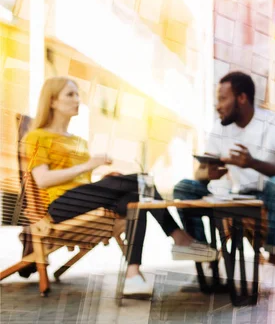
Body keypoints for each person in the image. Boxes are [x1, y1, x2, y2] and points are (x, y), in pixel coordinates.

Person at [22, 77, 218, 298]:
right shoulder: (37, 136)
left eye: (78, 94)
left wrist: (107, 182)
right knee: (143, 180)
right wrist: (89, 165)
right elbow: (43, 180)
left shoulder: (78, 141)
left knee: (137, 200)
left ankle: (133, 276)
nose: (77, 99)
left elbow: (81, 182)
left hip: (83, 200)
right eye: (70, 94)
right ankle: (179, 237)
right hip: (60, 207)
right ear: (52, 101)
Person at [173, 71, 275, 292]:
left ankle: (271, 266)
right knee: (183, 187)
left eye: (223, 99)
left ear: (242, 98)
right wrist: (207, 174)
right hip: (240, 195)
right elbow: (200, 175)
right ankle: (207, 260)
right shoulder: (220, 128)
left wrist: (252, 163)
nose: (218, 105)